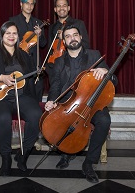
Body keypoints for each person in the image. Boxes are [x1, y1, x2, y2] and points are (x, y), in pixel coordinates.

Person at [44, 24, 117, 183]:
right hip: (69, 104)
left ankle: (89, 162)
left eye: (75, 35)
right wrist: (52, 101)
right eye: (68, 36)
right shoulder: (58, 62)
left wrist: (106, 72)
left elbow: (114, 81)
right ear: (64, 41)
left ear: (81, 37)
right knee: (60, 121)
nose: (72, 38)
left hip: (93, 104)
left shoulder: (94, 56)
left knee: (104, 120)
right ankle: (66, 154)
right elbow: (55, 85)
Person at [0, 21, 42, 176]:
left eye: (14, 33)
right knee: (3, 118)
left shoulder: (24, 55)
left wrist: (37, 77)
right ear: (2, 35)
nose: (11, 36)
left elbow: (31, 77)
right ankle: (6, 158)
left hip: (21, 96)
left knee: (36, 115)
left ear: (18, 36)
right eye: (8, 33)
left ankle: (24, 154)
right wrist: (2, 77)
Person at [9, 0, 47, 102]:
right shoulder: (13, 21)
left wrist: (39, 36)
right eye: (27, 3)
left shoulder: (38, 23)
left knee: (37, 89)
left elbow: (43, 44)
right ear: (21, 4)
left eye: (32, 4)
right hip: (18, 60)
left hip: (35, 62)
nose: (29, 6)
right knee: (21, 91)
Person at [46, 0, 90, 79]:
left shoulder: (78, 23)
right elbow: (50, 48)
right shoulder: (52, 27)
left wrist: (65, 37)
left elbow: (86, 45)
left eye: (64, 5)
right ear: (55, 9)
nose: (61, 8)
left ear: (68, 8)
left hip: (74, 66)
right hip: (56, 67)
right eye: (58, 6)